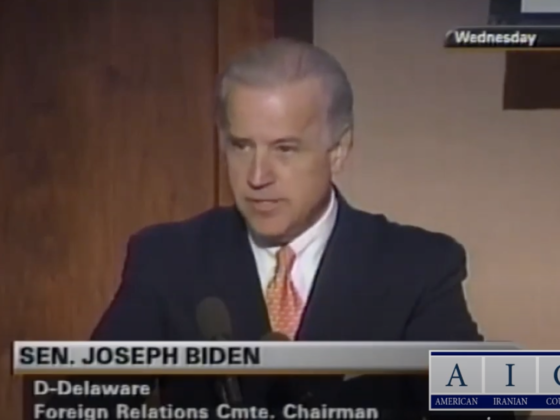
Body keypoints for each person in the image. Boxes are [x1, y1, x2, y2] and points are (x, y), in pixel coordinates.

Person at [91, 39, 512, 418]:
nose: (257, 176)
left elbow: (494, 405)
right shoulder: (168, 258)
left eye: (285, 149)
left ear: (338, 151)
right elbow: (81, 404)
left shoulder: (415, 267)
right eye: (241, 146)